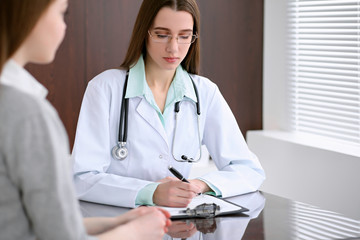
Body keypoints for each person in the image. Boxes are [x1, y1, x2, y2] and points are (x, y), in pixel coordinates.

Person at [0, 0, 171, 239]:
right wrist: (135, 232)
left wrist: (117, 223)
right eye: (62, 13)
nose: (64, 27)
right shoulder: (28, 115)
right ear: (30, 16)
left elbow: (34, 224)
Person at [72, 0, 265, 208]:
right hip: (119, 221)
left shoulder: (205, 92)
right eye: (162, 35)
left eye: (184, 36)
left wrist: (198, 185)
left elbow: (249, 170)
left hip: (179, 226)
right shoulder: (105, 88)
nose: (173, 48)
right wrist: (150, 192)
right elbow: (82, 179)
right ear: (144, 32)